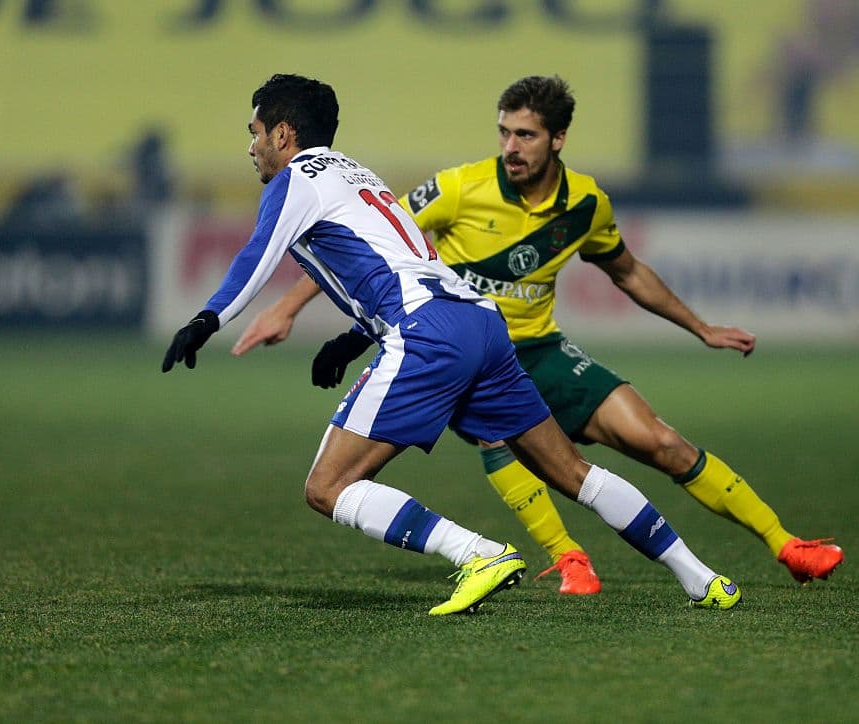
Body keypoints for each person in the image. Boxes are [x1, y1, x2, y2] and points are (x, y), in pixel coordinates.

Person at [232, 75, 844, 596]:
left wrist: (701, 327)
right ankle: (569, 558)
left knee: (657, 441)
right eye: (504, 132)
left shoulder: (585, 203)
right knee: (512, 450)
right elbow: (372, 242)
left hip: (536, 349)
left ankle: (778, 544)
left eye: (524, 135)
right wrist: (294, 308)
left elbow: (627, 270)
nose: (510, 147)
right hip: (460, 344)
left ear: (557, 140)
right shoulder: (458, 187)